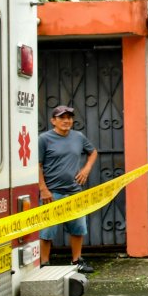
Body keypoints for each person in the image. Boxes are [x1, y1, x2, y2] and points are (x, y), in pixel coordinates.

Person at [37, 105, 98, 274]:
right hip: (52, 192)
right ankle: (44, 264)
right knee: (47, 230)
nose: (66, 121)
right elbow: (38, 165)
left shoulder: (78, 137)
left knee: (78, 228)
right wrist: (43, 189)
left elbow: (93, 152)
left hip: (74, 192)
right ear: (53, 121)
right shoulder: (44, 139)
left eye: (69, 117)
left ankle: (76, 260)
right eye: (62, 118)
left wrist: (86, 169)